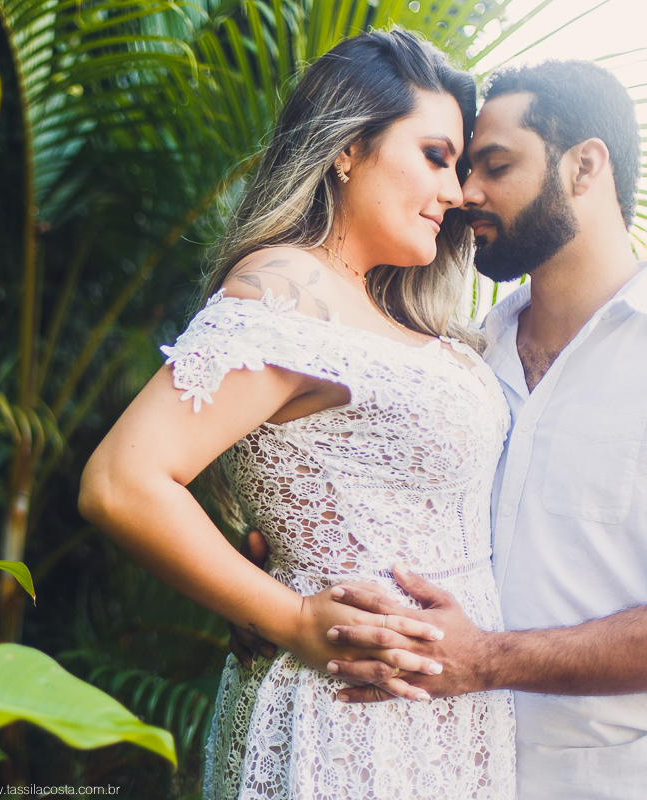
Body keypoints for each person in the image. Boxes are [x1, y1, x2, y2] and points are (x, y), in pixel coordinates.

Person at [79, 29, 515, 800]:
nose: (456, 194)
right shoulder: (286, 285)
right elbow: (122, 481)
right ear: (347, 149)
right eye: (436, 157)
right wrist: (292, 618)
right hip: (348, 717)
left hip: (442, 719)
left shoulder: (380, 303)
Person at [253, 60, 646, 800]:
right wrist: (281, 588)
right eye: (460, 165)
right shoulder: (464, 357)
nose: (465, 194)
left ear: (585, 167)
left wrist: (486, 660)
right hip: (422, 763)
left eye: (494, 166)